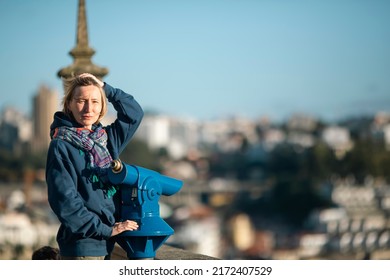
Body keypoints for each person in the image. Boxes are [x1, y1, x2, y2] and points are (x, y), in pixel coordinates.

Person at [46, 73, 143, 260]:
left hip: (106, 243)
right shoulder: (61, 145)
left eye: (95, 101)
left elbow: (134, 114)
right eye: (81, 101)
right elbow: (65, 201)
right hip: (83, 246)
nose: (88, 108)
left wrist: (107, 89)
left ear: (102, 107)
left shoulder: (106, 140)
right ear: (69, 105)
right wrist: (105, 229)